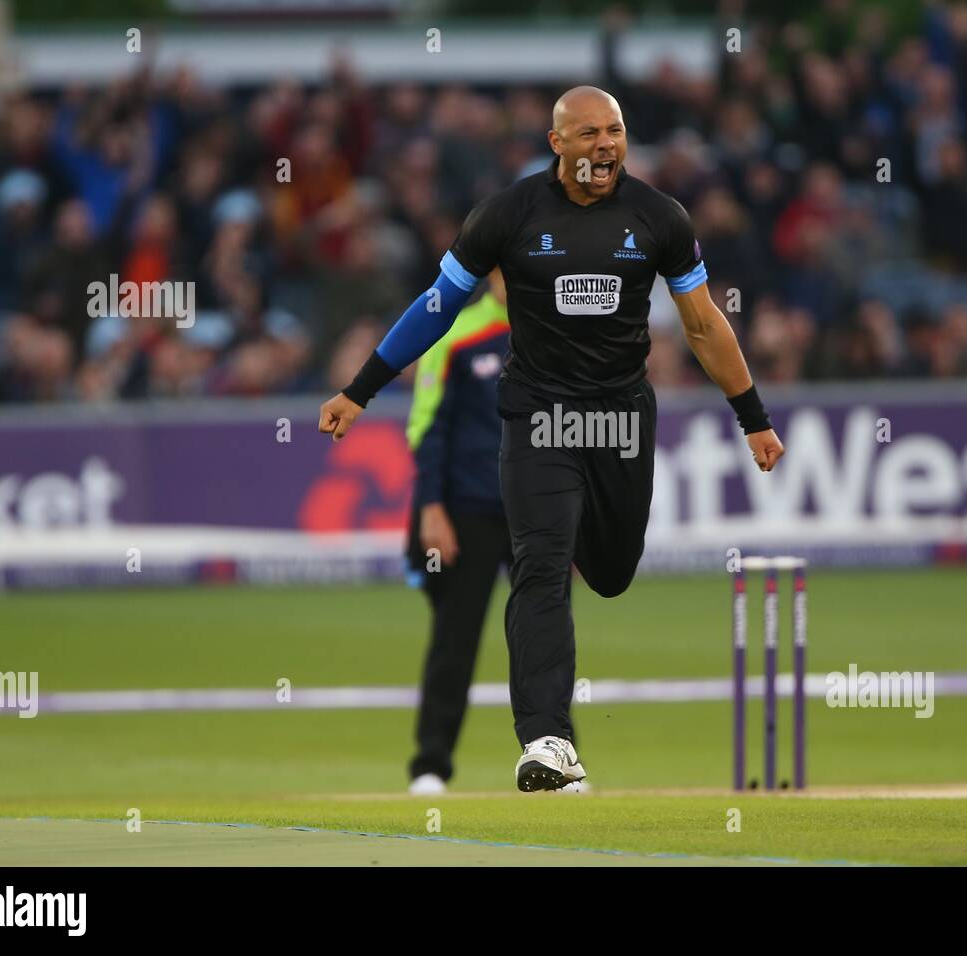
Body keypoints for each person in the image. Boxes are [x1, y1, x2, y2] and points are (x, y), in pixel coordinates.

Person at [320, 86, 784, 792]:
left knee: (613, 572)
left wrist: (752, 416)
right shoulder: (507, 216)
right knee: (542, 568)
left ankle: (552, 723)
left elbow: (702, 325)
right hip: (538, 416)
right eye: (590, 133)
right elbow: (436, 307)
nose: (605, 145)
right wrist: (361, 390)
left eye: (616, 132)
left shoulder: (660, 217)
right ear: (557, 142)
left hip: (621, 419)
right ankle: (547, 742)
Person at [404, 269, 512, 795]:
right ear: (492, 272)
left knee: (546, 638)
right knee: (455, 637)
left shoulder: (558, 334)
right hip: (468, 510)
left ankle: (560, 760)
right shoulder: (456, 335)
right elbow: (427, 425)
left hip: (537, 512)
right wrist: (431, 507)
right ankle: (431, 765)